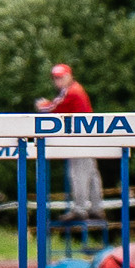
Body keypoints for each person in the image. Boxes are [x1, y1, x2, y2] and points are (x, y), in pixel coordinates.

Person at [36, 63, 103, 222]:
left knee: (78, 173)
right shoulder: (75, 89)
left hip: (80, 138)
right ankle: (96, 209)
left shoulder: (72, 91)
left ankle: (80, 209)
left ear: (69, 76)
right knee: (91, 172)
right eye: (56, 78)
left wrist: (42, 104)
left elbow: (53, 108)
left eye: (61, 77)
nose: (58, 81)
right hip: (87, 136)